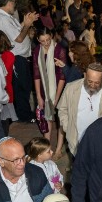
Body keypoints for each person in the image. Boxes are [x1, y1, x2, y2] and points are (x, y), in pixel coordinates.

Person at [0, 0, 39, 122]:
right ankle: (24, 116)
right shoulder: (2, 18)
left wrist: (25, 23)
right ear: (9, 3)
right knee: (21, 87)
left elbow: (17, 31)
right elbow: (18, 38)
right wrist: (27, 26)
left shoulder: (6, 16)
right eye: (14, 3)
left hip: (19, 57)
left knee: (24, 85)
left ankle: (24, 113)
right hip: (15, 57)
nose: (15, 6)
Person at [55, 62, 102, 157]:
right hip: (76, 141)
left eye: (97, 82)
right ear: (85, 75)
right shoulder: (71, 88)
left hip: (100, 143)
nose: (92, 85)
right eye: (89, 81)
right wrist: (67, 126)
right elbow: (62, 109)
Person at [33, 25, 68, 154]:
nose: (46, 43)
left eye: (48, 39)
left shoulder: (60, 50)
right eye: (42, 41)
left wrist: (56, 98)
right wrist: (38, 96)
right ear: (38, 39)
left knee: (60, 120)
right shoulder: (37, 51)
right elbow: (36, 74)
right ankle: (47, 148)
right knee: (46, 118)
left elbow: (62, 76)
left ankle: (58, 149)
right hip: (44, 90)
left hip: (60, 89)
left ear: (52, 37)